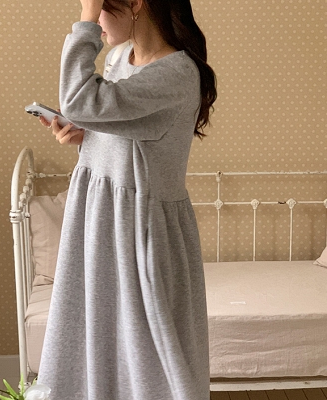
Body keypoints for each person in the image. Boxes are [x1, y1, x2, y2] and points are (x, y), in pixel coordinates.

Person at [37, 0, 217, 398]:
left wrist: (84, 23)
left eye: (96, 6)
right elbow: (121, 128)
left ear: (135, 3)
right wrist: (88, 135)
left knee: (146, 358)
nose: (93, 18)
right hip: (100, 218)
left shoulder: (177, 73)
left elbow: (79, 101)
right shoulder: (120, 57)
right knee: (98, 339)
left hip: (137, 229)